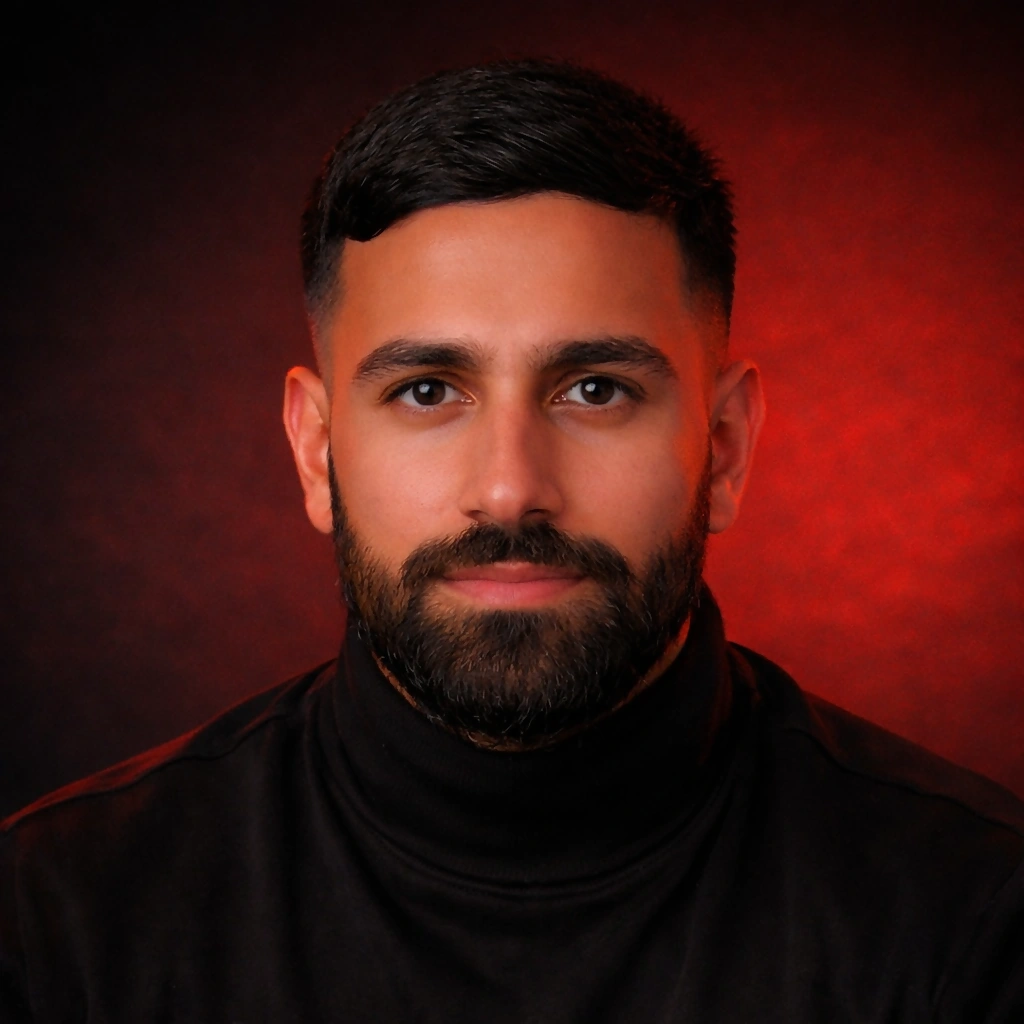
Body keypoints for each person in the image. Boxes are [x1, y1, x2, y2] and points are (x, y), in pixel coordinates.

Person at [1, 58, 1021, 1022]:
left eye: (595, 389)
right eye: (427, 391)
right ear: (316, 452)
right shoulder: (55, 920)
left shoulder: (974, 916)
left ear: (722, 448)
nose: (509, 490)